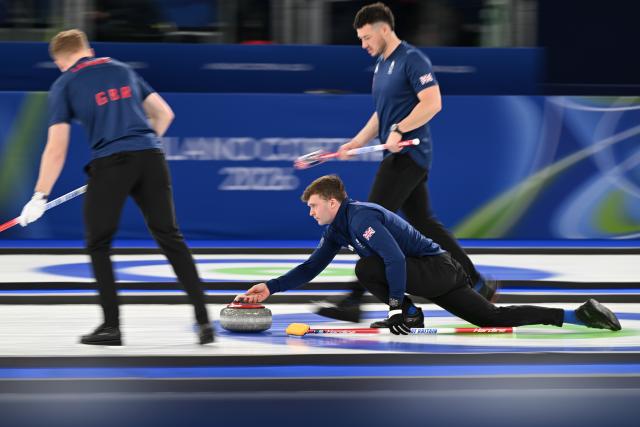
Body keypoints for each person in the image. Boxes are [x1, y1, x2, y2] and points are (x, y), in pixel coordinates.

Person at [18, 29, 213, 346]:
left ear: (60, 61)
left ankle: (111, 327)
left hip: (110, 164)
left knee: (99, 243)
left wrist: (39, 196)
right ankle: (205, 323)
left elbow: (56, 148)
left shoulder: (64, 83)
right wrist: (143, 147)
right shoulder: (122, 69)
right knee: (169, 235)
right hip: (151, 157)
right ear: (88, 50)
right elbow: (164, 114)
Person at [236, 175, 621, 334]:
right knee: (490, 317)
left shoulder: (360, 218)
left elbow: (394, 261)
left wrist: (393, 311)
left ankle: (411, 313)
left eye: (315, 205)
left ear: (334, 202)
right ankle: (577, 314)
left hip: (436, 269)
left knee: (367, 267)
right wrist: (268, 288)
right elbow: (311, 267)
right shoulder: (337, 228)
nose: (311, 212)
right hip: (438, 275)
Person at [316, 2, 494, 323]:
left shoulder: (412, 59)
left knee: (367, 222)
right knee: (424, 222)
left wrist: (400, 128)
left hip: (409, 155)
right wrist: (356, 142)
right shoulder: (383, 65)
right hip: (396, 154)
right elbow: (381, 113)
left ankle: (353, 299)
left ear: (384, 29)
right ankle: (477, 283)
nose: (364, 45)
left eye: (367, 37)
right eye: (361, 39)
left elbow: (433, 103)